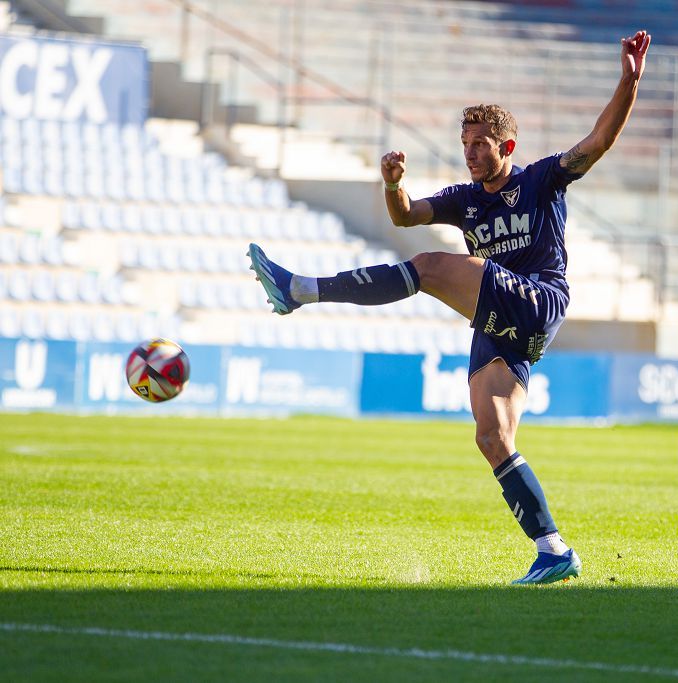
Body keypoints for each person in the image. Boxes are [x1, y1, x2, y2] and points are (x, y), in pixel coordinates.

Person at [249, 31, 652, 584]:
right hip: (497, 321)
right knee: (492, 438)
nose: (470, 152)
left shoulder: (540, 180)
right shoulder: (465, 200)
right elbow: (405, 215)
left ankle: (299, 290)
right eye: (466, 143)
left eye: (481, 143)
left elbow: (599, 140)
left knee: (433, 268)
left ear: (506, 148)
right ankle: (554, 550)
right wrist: (393, 185)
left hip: (538, 302)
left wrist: (628, 80)